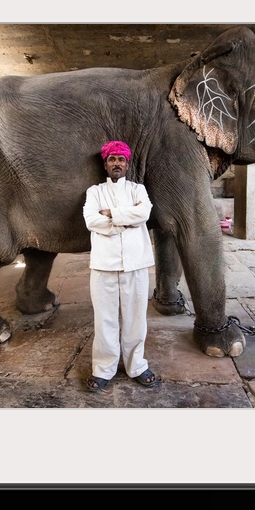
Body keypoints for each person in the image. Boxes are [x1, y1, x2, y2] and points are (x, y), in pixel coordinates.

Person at [82, 140, 159, 392]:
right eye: (112, 159)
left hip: (136, 263)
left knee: (136, 318)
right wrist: (126, 218)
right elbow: (91, 220)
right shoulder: (94, 192)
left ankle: (136, 365)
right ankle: (103, 369)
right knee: (104, 319)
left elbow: (145, 213)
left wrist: (111, 214)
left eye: (121, 160)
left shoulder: (139, 190)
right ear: (105, 164)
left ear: (127, 164)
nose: (117, 163)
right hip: (104, 264)